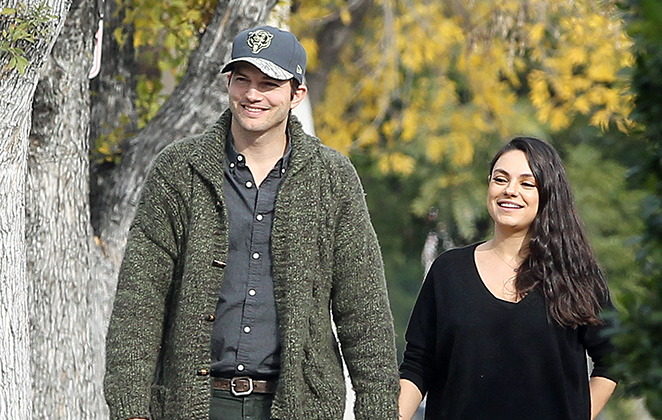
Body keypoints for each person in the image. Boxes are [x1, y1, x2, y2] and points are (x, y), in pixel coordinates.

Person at [104, 25, 400, 420]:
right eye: (242, 80)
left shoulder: (333, 178)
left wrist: (378, 411)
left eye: (268, 84)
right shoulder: (179, 170)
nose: (252, 95)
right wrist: (130, 408)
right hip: (193, 403)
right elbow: (140, 298)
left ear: (297, 94)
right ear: (228, 83)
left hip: (299, 405)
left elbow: (364, 311)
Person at [398, 137, 618, 420]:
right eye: (500, 179)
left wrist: (577, 414)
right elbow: (417, 364)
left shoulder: (575, 274)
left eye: (527, 183)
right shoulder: (448, 272)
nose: (510, 191)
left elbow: (613, 358)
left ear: (548, 193)